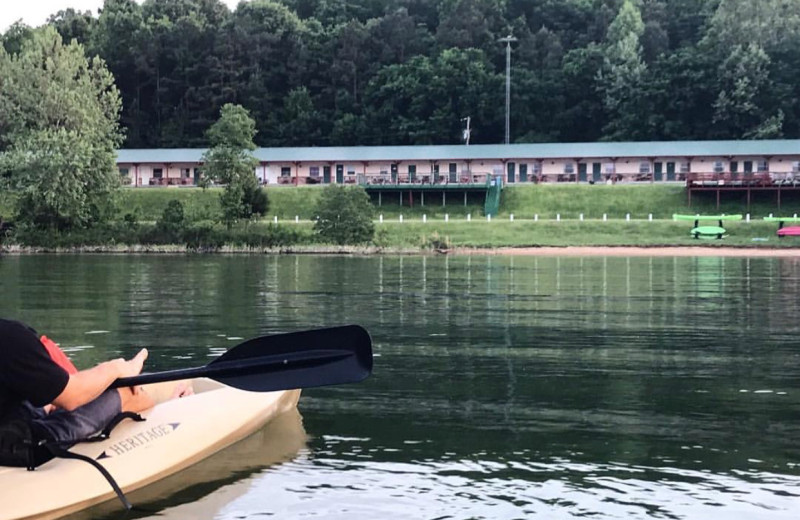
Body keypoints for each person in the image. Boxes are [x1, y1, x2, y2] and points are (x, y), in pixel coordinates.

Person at [0, 318, 190, 465]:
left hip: (14, 421)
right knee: (128, 392)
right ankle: (168, 414)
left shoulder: (10, 338)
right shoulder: (10, 336)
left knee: (49, 402)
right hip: (18, 446)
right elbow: (72, 398)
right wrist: (116, 368)